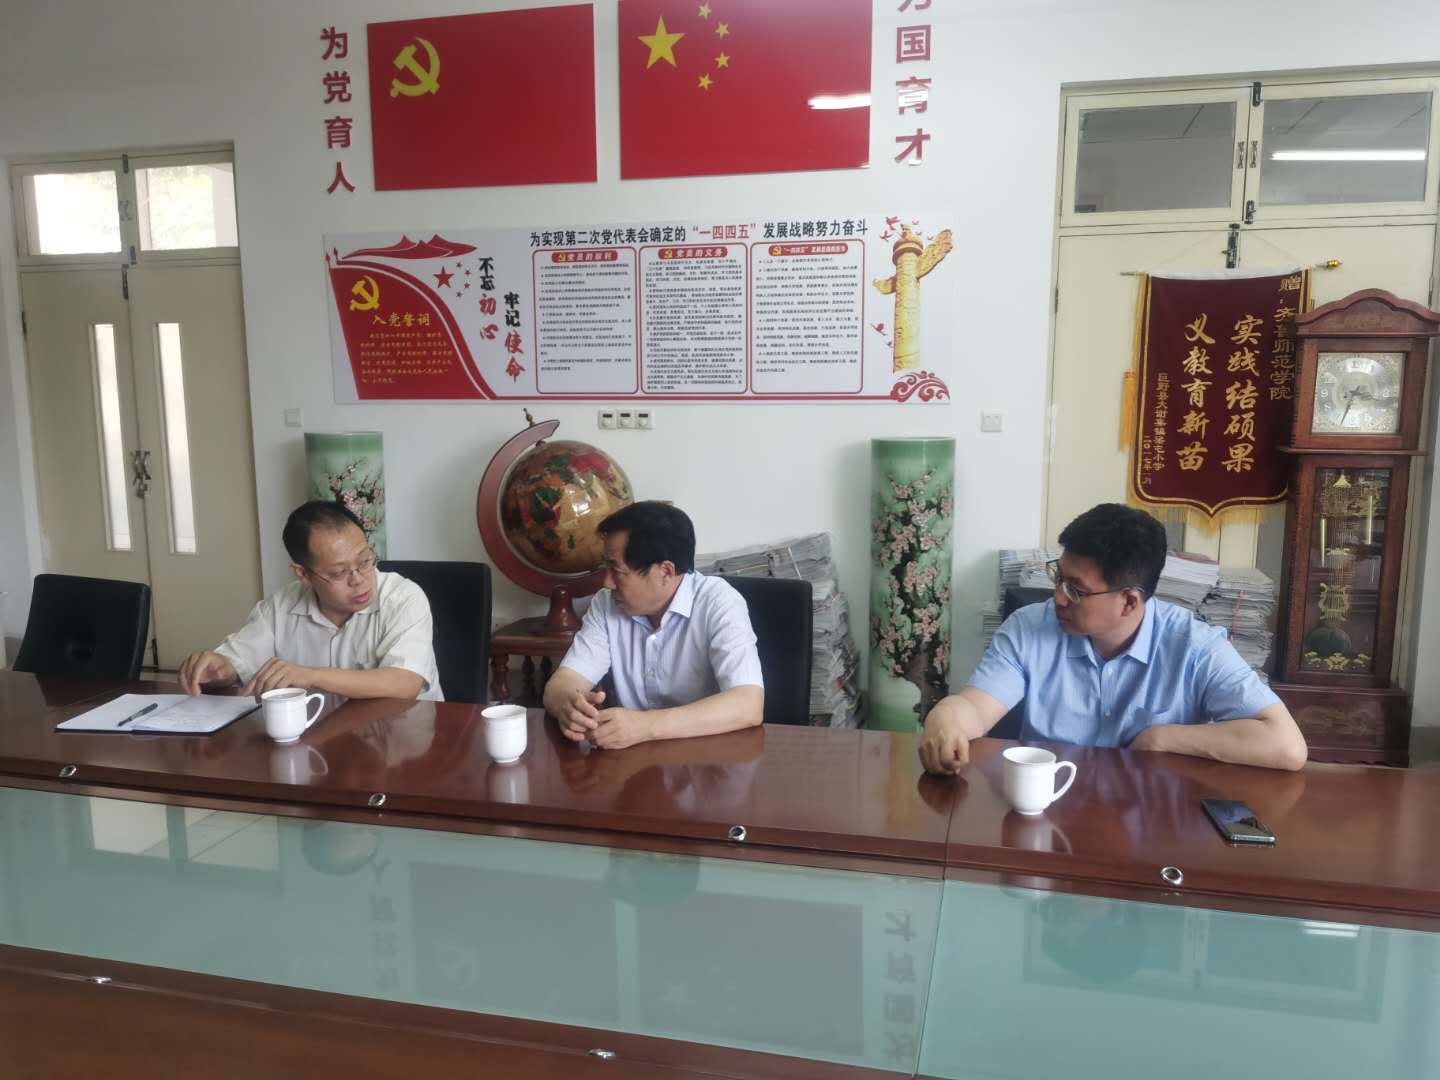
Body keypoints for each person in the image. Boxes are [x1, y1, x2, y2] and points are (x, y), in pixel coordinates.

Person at [920, 503, 1306, 774]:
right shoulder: (1028, 627)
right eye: (1059, 578)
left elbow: (1286, 745)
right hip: (1048, 814)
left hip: (1150, 824)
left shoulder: (1194, 647)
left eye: (1076, 590)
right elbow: (974, 708)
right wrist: (947, 718)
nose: (1058, 598)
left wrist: (1161, 739)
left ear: (1130, 601)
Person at [543, 501, 764, 749]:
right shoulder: (606, 604)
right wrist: (569, 707)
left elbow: (748, 704)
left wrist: (645, 726)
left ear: (666, 571)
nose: (607, 583)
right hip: (628, 761)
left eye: (616, 570)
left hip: (702, 757)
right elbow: (563, 681)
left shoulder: (719, 602)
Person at [178, 501, 440, 701]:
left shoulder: (402, 597)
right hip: (318, 739)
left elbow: (405, 683)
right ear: (303, 574)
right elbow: (236, 662)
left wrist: (311, 675)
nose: (359, 579)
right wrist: (218, 670)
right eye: (339, 572)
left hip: (402, 739)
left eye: (364, 561)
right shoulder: (280, 607)